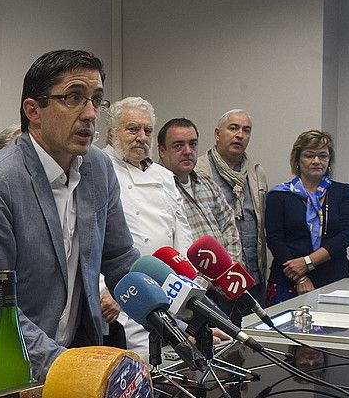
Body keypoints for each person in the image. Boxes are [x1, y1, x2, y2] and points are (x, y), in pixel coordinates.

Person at [0, 49, 140, 382]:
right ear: (34, 111)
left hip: (76, 360)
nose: (90, 114)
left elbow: (121, 261)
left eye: (96, 100)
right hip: (11, 376)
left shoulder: (98, 169)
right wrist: (65, 366)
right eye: (74, 98)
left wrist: (176, 320)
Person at [99, 97, 192, 356]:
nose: (141, 136)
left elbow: (181, 235)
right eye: (132, 129)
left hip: (165, 289)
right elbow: (87, 242)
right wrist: (101, 291)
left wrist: (186, 288)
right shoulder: (97, 169)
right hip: (119, 295)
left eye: (147, 130)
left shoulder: (164, 176)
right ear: (111, 133)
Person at [265, 130, 349, 304]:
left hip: (334, 281)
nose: (317, 161)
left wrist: (307, 262)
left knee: (336, 332)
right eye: (309, 155)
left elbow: (347, 235)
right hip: (288, 282)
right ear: (297, 160)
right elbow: (274, 240)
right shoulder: (278, 195)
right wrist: (300, 277)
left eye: (323, 155)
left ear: (329, 160)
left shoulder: (344, 192)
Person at [158, 117, 242, 261]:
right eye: (178, 146)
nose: (188, 151)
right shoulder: (157, 189)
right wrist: (205, 282)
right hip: (191, 280)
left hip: (225, 275)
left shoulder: (206, 181)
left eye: (193, 144)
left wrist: (228, 269)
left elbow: (229, 227)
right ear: (162, 151)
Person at [206, 109, 269, 299]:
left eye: (246, 130)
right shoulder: (200, 171)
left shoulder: (257, 173)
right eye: (233, 128)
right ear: (218, 134)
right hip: (215, 281)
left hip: (253, 277)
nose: (240, 135)